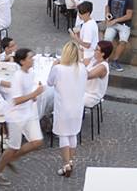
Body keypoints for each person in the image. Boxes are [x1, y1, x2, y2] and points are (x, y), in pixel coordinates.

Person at [0, 49, 45, 186]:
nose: (32, 59)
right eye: (30, 58)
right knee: (13, 147)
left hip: (28, 112)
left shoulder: (31, 73)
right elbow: (16, 100)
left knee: (37, 141)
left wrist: (32, 97)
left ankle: (11, 158)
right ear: (22, 61)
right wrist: (34, 94)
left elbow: (26, 93)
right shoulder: (18, 77)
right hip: (16, 115)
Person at [48, 42, 88, 178]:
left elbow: (49, 82)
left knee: (63, 135)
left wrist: (53, 65)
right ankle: (70, 161)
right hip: (77, 107)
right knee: (73, 134)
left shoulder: (58, 69)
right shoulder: (82, 68)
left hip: (63, 107)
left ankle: (66, 164)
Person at [104, 0, 134, 71]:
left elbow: (129, 15)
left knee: (123, 41)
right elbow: (107, 6)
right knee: (107, 39)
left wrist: (116, 20)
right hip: (112, 23)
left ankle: (115, 60)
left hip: (124, 24)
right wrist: (107, 14)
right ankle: (105, 60)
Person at [84, 40, 113, 108]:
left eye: (97, 49)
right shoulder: (94, 60)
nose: (94, 50)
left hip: (91, 96)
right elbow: (81, 62)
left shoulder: (103, 67)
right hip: (83, 91)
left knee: (67, 96)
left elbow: (87, 76)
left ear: (103, 53)